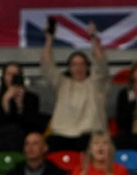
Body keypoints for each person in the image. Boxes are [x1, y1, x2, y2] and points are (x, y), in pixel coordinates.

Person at [40, 21, 108, 152]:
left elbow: (100, 63)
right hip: (61, 134)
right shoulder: (62, 83)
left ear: (88, 66)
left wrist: (93, 38)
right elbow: (47, 65)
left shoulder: (95, 82)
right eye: (74, 64)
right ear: (69, 67)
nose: (78, 68)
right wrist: (49, 39)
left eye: (82, 64)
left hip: (88, 134)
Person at [0, 62, 43, 154]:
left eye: (15, 74)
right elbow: (1, 125)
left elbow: (32, 124)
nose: (12, 77)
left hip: (26, 136)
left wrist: (20, 105)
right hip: (4, 138)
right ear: (3, 77)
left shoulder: (32, 98)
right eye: (9, 74)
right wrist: (5, 102)